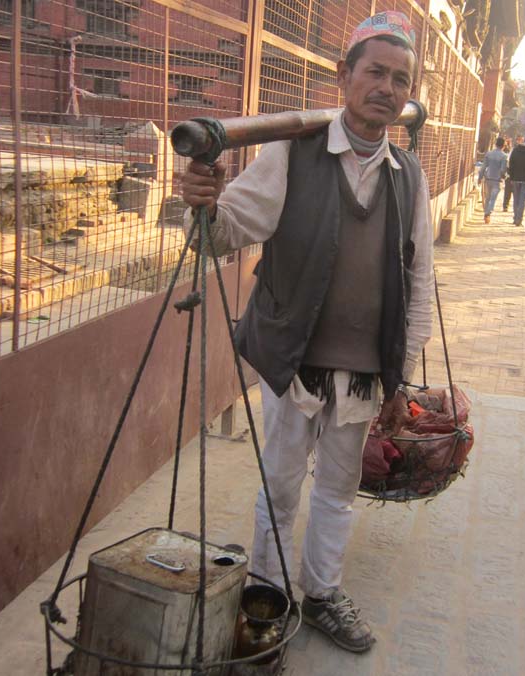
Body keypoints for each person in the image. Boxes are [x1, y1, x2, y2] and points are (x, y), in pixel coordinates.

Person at [180, 11, 433, 653]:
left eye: (400, 79)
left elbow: (420, 275)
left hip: (364, 368)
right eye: (374, 71)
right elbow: (230, 229)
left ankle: (321, 593)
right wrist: (205, 203)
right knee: (281, 483)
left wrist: (402, 368)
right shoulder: (291, 149)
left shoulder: (409, 174)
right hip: (293, 361)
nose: (386, 87)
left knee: (338, 489)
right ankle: (267, 592)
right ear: (344, 76)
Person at [507, 132, 525, 228]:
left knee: (516, 199)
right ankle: (519, 219)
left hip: (515, 178)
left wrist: (511, 176)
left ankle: (515, 218)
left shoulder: (516, 150)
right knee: (523, 200)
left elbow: (511, 163)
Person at [479, 136, 508, 223]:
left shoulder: (489, 154)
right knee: (493, 197)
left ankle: (486, 213)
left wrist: (480, 177)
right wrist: (505, 176)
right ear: (504, 145)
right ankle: (488, 213)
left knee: (487, 197)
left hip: (488, 178)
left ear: (495, 144)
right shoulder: (504, 156)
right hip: (497, 179)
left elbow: (483, 166)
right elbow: (503, 169)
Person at [502, 138, 513, 211]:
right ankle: (506, 206)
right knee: (512, 192)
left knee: (507, 192)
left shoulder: (510, 155)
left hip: (509, 176)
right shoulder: (509, 154)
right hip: (512, 176)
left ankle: (505, 206)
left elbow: (507, 165)